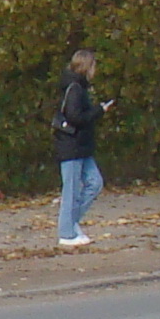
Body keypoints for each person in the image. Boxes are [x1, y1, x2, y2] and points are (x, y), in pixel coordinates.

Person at [54, 48, 107, 249]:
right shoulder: (75, 88)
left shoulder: (79, 87)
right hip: (71, 145)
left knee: (95, 183)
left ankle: (70, 223)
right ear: (87, 66)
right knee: (71, 190)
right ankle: (66, 233)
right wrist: (99, 111)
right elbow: (75, 117)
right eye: (93, 65)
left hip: (82, 146)